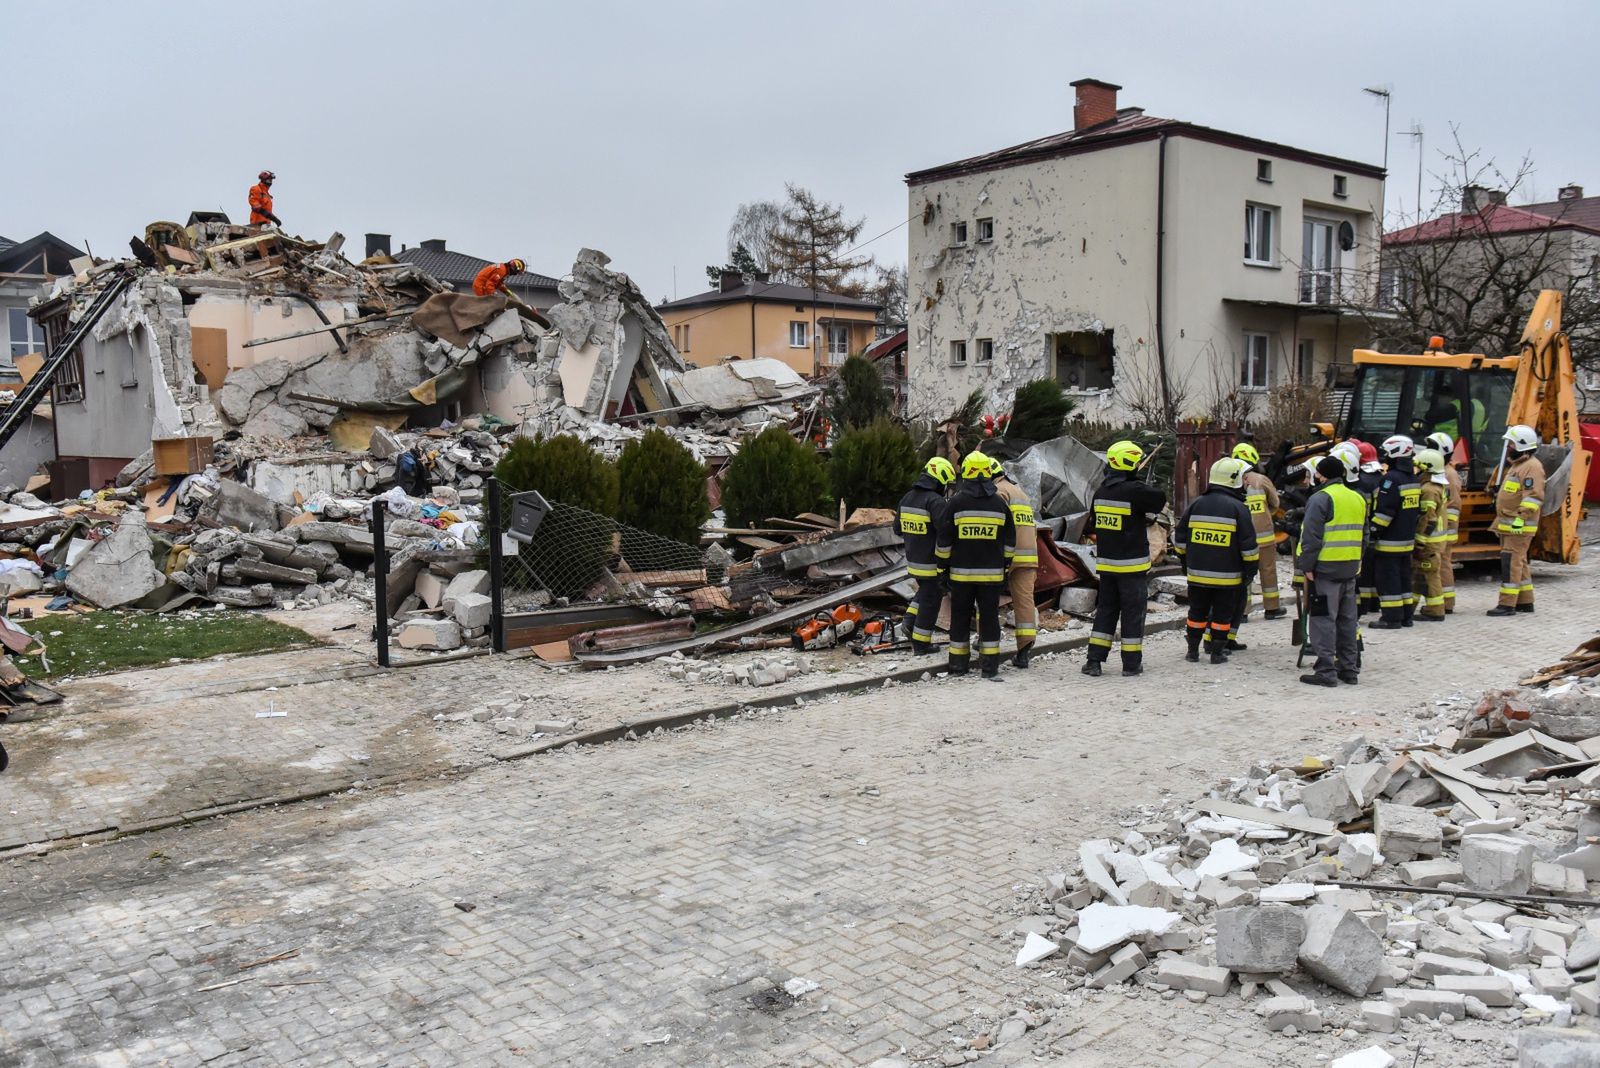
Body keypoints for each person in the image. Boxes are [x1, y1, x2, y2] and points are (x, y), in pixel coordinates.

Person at [1082, 439, 1167, 677]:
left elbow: (1095, 522)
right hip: (1132, 568)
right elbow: (1159, 499)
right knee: (1132, 613)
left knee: (1106, 612)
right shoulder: (1136, 491)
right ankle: (1131, 664)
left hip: (1107, 566)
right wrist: (1139, 481)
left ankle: (1094, 662)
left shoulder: (1100, 493)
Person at [934, 452, 1016, 678]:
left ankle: (958, 666)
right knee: (989, 619)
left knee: (960, 618)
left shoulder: (956, 503)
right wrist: (1005, 568)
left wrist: (942, 570)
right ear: (989, 473)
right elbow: (1010, 542)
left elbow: (944, 540)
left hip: (961, 577)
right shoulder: (999, 504)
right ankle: (989, 668)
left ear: (967, 473)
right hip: (991, 578)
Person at [1175, 457, 1259, 665]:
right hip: (1227, 579)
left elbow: (1180, 539)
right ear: (1234, 480)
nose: (1246, 481)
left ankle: (1192, 651)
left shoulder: (1196, 504)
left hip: (1197, 576)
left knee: (1196, 613)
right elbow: (1248, 546)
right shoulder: (1239, 508)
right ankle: (1216, 653)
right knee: (1222, 616)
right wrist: (1250, 571)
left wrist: (1186, 563)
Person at [1296, 451, 1368, 687]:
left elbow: (1311, 537)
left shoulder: (1320, 499)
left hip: (1325, 570)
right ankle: (1349, 669)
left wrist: (1307, 566)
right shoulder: (1357, 498)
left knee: (1323, 619)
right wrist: (1356, 560)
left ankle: (1326, 670)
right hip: (1350, 568)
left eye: (1317, 472)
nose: (1315, 476)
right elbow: (1364, 536)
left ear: (1322, 475)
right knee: (1347, 620)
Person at [1232, 443, 1286, 655]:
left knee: (1243, 573)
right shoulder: (1261, 480)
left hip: (1240, 537)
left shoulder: (1231, 480)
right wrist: (1263, 516)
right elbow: (1275, 503)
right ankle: (1272, 608)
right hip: (1263, 536)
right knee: (1268, 570)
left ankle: (1243, 611)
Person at [898, 457, 955, 655]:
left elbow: (897, 529)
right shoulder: (935, 502)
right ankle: (921, 644)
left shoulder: (907, 497)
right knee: (932, 600)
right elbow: (945, 533)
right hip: (931, 562)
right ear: (939, 480)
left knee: (924, 593)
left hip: (913, 561)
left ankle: (908, 623)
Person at [1487, 424, 1545, 617]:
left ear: (1521, 445)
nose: (1508, 446)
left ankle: (1507, 604)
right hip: (1509, 524)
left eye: (1511, 443)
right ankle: (1525, 601)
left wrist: (1520, 519)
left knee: (1510, 562)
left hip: (1518, 525)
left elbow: (1533, 497)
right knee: (1519, 561)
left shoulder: (1531, 467)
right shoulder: (1518, 465)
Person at [990, 456, 1041, 667]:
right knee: (1025, 602)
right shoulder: (1020, 493)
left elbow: (997, 525)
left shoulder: (998, 492)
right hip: (1028, 557)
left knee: (987, 598)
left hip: (1005, 555)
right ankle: (1024, 651)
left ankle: (986, 642)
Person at [1370, 434, 1422, 629]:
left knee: (1388, 581)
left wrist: (1373, 530)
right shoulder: (1413, 478)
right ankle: (1406, 616)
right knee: (1404, 580)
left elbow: (1385, 512)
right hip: (1407, 540)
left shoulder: (1391, 479)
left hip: (1389, 542)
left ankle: (1391, 619)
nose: (1384, 458)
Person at [1425, 431, 1464, 612]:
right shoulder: (1441, 472)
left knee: (1443, 565)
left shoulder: (1449, 475)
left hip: (1443, 531)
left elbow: (1453, 506)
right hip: (1440, 530)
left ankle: (1447, 603)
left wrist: (1448, 531)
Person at [1411, 448, 1451, 623]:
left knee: (1429, 574)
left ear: (1426, 468)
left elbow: (1428, 520)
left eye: (1418, 467)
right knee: (1420, 573)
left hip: (1429, 542)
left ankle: (1435, 610)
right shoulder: (1436, 487)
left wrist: (1419, 544)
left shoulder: (1428, 489)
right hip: (1434, 541)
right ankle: (1413, 606)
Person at [1351, 438, 1384, 614]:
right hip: (1379, 529)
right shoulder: (1381, 477)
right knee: (1373, 571)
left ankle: (1362, 606)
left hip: (1365, 529)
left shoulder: (1361, 481)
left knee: (1362, 572)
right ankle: (1374, 604)